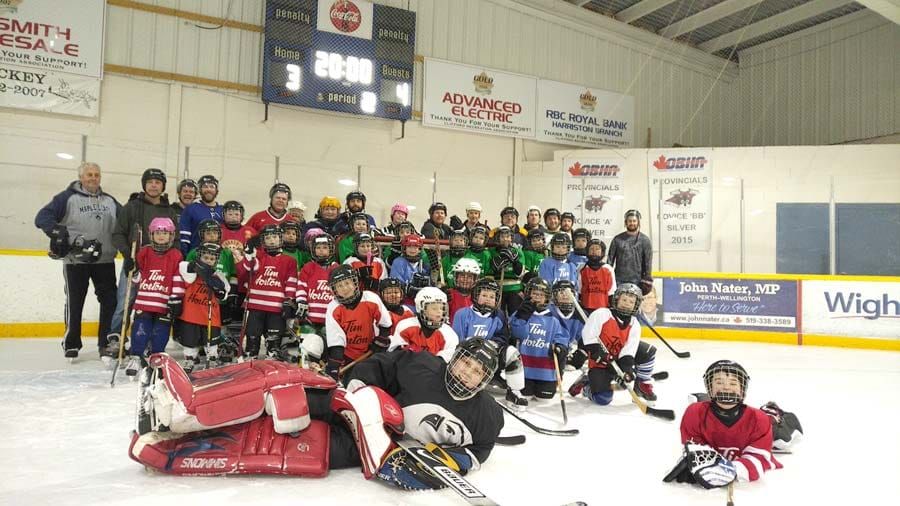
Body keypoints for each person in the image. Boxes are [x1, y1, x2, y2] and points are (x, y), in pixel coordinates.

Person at [130, 338, 505, 490]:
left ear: (486, 379)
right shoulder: (423, 364)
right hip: (361, 411)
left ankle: (175, 450)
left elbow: (478, 451)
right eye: (465, 363)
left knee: (291, 445)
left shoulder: (487, 415)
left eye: (477, 371)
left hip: (375, 446)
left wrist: (440, 461)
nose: (467, 373)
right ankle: (184, 407)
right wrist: (358, 385)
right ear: (455, 358)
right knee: (284, 394)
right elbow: (380, 365)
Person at [663, 361, 798, 489]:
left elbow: (760, 461)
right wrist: (695, 464)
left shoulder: (759, 419)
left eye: (733, 383)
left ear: (742, 389)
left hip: (767, 427)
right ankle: (702, 399)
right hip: (714, 419)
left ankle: (771, 411)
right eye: (719, 382)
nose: (726, 387)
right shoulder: (694, 412)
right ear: (710, 388)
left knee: (782, 440)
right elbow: (696, 450)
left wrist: (732, 470)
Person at [35, 161, 120, 360]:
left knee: (110, 302)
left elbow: (124, 221)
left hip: (105, 261)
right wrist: (57, 232)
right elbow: (42, 217)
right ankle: (71, 343)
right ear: (81, 177)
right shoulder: (67, 198)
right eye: (89, 175)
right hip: (76, 261)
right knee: (75, 302)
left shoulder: (110, 201)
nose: (93, 178)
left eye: (96, 175)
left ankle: (105, 343)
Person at [108, 168, 179, 352]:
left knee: (156, 305)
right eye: (150, 182)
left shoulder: (169, 211)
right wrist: (127, 255)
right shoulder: (132, 207)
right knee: (125, 301)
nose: (154, 185)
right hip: (135, 263)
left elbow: (176, 239)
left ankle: (148, 342)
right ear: (144, 184)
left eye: (158, 182)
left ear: (163, 186)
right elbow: (118, 234)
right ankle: (116, 338)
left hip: (160, 267)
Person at [568, 283, 657, 403]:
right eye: (624, 300)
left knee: (648, 351)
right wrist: (600, 354)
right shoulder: (602, 314)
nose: (627, 303)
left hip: (617, 358)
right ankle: (586, 386)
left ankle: (641, 385)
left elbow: (629, 351)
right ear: (616, 299)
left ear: (636, 305)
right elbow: (587, 337)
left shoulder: (634, 324)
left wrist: (626, 371)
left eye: (631, 302)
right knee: (603, 399)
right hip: (599, 362)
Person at [124, 217, 182, 376]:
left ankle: (157, 357)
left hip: (164, 303)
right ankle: (136, 356)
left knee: (161, 332)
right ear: (151, 235)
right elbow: (137, 279)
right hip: (144, 302)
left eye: (165, 233)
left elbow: (177, 278)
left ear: (171, 235)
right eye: (157, 233)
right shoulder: (144, 252)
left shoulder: (176, 255)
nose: (161, 236)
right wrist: (132, 270)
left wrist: (176, 298)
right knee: (140, 330)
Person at [234, 224, 298, 359]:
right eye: (268, 238)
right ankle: (251, 358)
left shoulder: (290, 261)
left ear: (281, 238)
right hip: (255, 305)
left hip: (276, 306)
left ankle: (272, 359)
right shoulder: (258, 257)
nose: (271, 240)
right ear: (263, 241)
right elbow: (247, 269)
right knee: (252, 336)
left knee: (274, 340)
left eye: (274, 237)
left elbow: (291, 283)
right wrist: (249, 255)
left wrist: (289, 301)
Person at [321, 266, 393, 379]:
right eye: (339, 286)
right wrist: (334, 365)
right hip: (348, 356)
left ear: (355, 283)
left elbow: (386, 324)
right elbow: (336, 342)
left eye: (347, 283)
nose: (344, 288)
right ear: (334, 290)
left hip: (371, 351)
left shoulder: (371, 298)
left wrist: (381, 340)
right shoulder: (333, 308)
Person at [171, 242, 229, 372]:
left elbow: (224, 294)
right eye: (205, 257)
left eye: (212, 259)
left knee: (211, 343)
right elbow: (183, 267)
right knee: (190, 341)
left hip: (210, 316)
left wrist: (219, 289)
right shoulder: (192, 272)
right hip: (191, 315)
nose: (208, 261)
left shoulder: (218, 276)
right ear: (199, 257)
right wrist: (198, 268)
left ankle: (212, 357)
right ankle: (190, 359)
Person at [509, 278, 567, 400]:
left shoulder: (554, 319)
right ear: (528, 294)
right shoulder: (520, 313)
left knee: (544, 398)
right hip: (524, 369)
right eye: (534, 293)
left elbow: (562, 337)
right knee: (525, 396)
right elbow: (516, 334)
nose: (537, 297)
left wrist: (560, 347)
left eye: (541, 295)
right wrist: (522, 317)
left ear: (547, 298)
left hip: (545, 370)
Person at [389, 287, 460, 361]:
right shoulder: (405, 326)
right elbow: (396, 358)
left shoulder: (449, 335)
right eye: (434, 308)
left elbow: (442, 364)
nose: (439, 312)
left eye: (442, 308)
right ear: (421, 308)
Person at [296, 233, 339, 339]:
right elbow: (301, 286)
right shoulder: (308, 267)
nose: (321, 250)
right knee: (305, 340)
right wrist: (301, 301)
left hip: (329, 317)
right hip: (310, 315)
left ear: (331, 250)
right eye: (318, 248)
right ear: (313, 250)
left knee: (328, 341)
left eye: (325, 247)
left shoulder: (337, 268)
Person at [607, 209, 653, 295]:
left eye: (634, 221)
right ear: (626, 222)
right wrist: (607, 278)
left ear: (638, 222)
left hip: (637, 281)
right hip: (618, 281)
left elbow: (648, 262)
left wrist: (647, 280)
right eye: (630, 221)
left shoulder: (645, 240)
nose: (632, 223)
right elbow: (610, 261)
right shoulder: (617, 239)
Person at [179, 175, 223, 255]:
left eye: (212, 187)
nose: (208, 189)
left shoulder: (223, 210)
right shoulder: (191, 209)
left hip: (219, 257)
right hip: (195, 256)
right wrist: (185, 257)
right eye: (205, 186)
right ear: (200, 190)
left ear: (217, 190)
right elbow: (184, 238)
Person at [488, 226, 525, 315]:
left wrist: (515, 262)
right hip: (498, 289)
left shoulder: (518, 251)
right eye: (502, 237)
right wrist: (495, 267)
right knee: (499, 315)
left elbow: (520, 273)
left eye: (508, 236)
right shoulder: (491, 251)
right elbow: (490, 272)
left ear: (511, 238)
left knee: (515, 315)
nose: (505, 239)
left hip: (515, 289)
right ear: (498, 238)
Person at [580, 238, 616, 313]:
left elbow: (612, 290)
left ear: (602, 252)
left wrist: (611, 306)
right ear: (587, 251)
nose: (594, 251)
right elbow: (579, 288)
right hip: (586, 307)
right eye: (591, 249)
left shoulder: (608, 268)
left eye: (597, 249)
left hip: (603, 307)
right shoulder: (582, 268)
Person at [445, 257, 480, 323]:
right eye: (462, 275)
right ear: (456, 277)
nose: (465, 279)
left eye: (469, 277)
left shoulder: (477, 298)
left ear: (475, 279)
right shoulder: (449, 295)